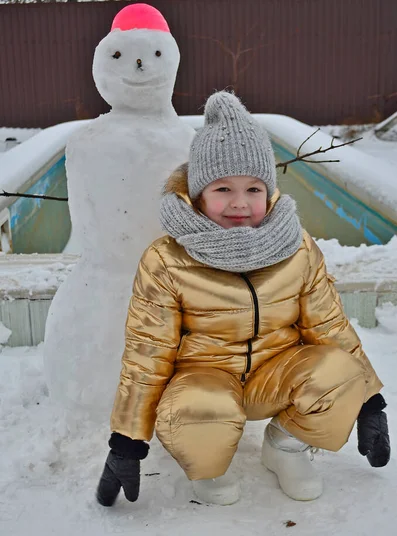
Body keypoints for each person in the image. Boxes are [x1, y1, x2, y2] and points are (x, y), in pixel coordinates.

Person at [96, 91, 390, 507]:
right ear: (198, 193)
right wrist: (127, 440)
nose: (239, 203)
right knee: (198, 408)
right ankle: (208, 468)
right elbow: (148, 353)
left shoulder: (297, 247)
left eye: (253, 188)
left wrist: (369, 401)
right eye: (222, 188)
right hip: (205, 380)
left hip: (277, 372)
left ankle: (284, 446)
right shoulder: (166, 259)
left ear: (268, 190)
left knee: (342, 373)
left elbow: (329, 326)